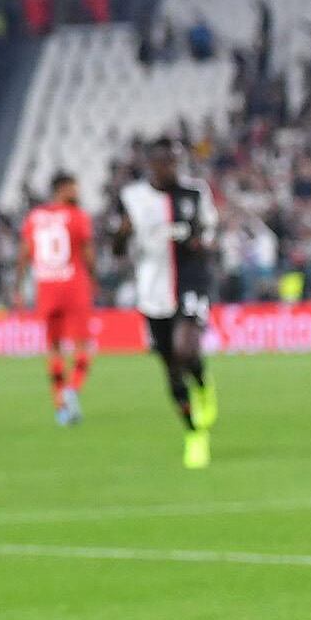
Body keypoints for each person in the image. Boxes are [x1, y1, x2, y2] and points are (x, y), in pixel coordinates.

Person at [112, 142, 221, 468]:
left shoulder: (195, 193)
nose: (169, 168)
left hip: (190, 282)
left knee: (186, 349)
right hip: (152, 291)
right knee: (171, 366)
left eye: (173, 162)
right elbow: (117, 249)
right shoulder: (133, 198)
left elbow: (211, 233)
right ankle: (193, 431)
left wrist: (202, 241)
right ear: (150, 164)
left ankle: (202, 385)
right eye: (162, 162)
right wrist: (123, 233)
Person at [21, 173, 97, 425]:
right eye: (74, 188)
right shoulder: (77, 216)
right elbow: (88, 256)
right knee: (84, 346)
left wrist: (19, 285)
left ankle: (60, 406)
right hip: (74, 287)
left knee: (53, 349)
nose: (78, 192)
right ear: (62, 189)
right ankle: (72, 390)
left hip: (46, 288)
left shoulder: (34, 217)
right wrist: (94, 279)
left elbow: (25, 254)